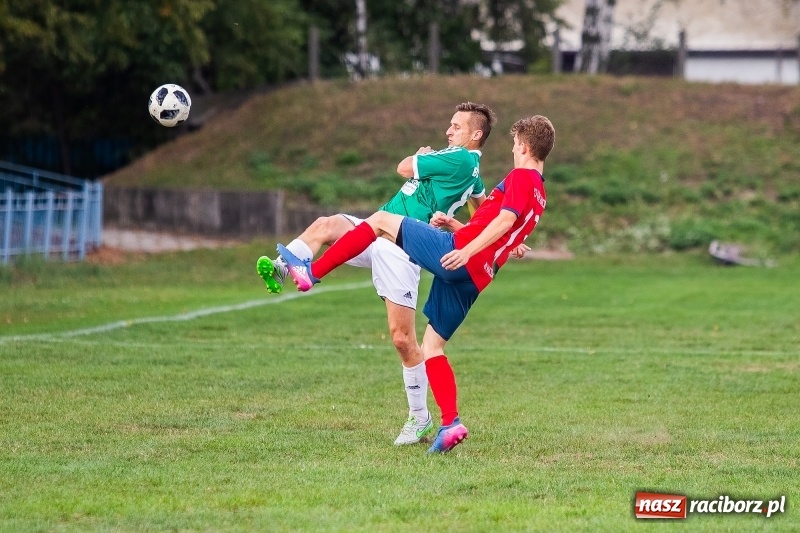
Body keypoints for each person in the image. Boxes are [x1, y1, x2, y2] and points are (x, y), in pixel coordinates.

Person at [276, 115, 554, 453]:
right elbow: (502, 228)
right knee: (432, 347)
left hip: (459, 256)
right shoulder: (540, 192)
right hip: (477, 276)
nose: (512, 150)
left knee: (380, 220)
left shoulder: (521, 176)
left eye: (514, 145)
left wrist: (465, 249)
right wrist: (456, 226)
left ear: (523, 146)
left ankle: (312, 272)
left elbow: (506, 220)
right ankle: (450, 423)